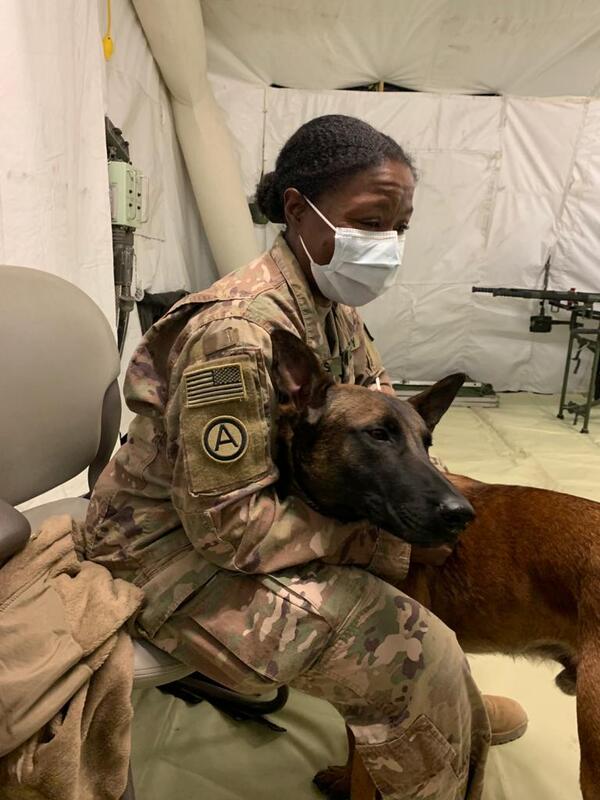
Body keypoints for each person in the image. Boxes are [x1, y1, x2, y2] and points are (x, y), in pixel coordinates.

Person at [84, 114, 526, 799]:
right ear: (297, 208)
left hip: (255, 520)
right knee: (409, 642)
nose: (385, 245)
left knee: (428, 575)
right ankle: (430, 714)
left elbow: (382, 416)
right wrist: (371, 542)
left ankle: (445, 713)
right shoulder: (234, 336)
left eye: (398, 230)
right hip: (161, 552)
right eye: (371, 222)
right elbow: (226, 529)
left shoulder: (331, 306)